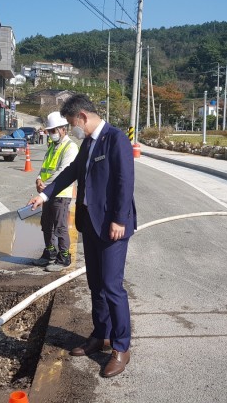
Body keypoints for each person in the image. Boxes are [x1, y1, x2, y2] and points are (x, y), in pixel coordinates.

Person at [27, 93, 136, 378]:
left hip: (113, 226)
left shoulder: (116, 139)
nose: (72, 128)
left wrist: (119, 219)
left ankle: (121, 347)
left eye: (72, 122)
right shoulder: (88, 143)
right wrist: (44, 194)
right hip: (91, 224)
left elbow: (125, 181)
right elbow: (70, 174)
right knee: (96, 286)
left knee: (112, 287)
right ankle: (101, 335)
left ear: (83, 117)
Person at [35, 111, 79, 270]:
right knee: (46, 224)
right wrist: (39, 179)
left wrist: (44, 186)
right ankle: (50, 253)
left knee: (59, 226)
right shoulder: (52, 147)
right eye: (49, 131)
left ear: (63, 129)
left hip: (61, 194)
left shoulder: (70, 147)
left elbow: (63, 172)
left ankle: (64, 257)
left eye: (53, 131)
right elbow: (44, 167)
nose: (51, 134)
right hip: (47, 193)